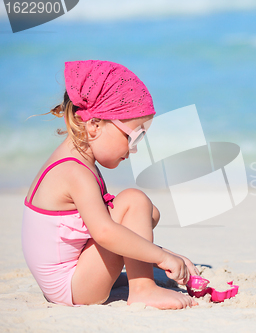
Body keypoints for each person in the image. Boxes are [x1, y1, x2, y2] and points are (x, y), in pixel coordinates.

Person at [22, 60, 198, 309]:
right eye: (133, 136)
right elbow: (104, 233)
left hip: (71, 278)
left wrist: (163, 254)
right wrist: (160, 255)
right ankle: (143, 290)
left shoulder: (78, 159)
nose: (134, 149)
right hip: (72, 287)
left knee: (145, 211)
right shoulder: (74, 172)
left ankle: (141, 280)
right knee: (134, 201)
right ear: (94, 125)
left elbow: (109, 228)